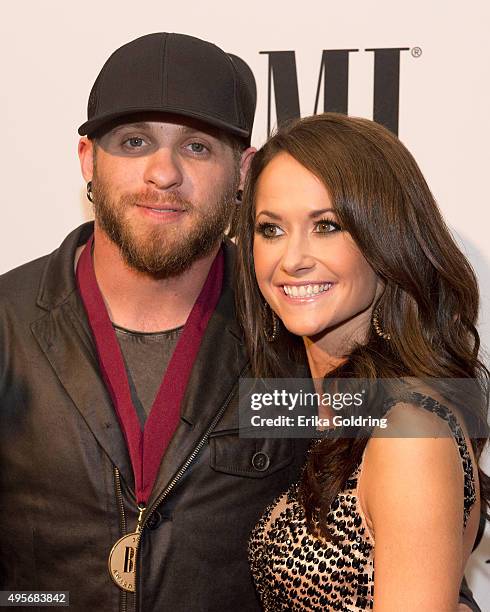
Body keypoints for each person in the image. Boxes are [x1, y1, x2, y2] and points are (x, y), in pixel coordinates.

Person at [0, 32, 314, 612]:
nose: (163, 173)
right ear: (87, 158)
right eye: (134, 141)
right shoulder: (6, 323)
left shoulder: (298, 331)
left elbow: (427, 430)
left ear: (242, 171)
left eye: (197, 147)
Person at [235, 113, 489, 610]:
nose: (292, 259)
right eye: (270, 229)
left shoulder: (410, 432)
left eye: (326, 226)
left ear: (386, 240)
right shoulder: (338, 408)